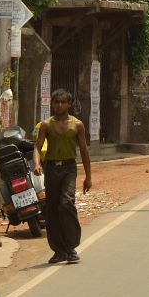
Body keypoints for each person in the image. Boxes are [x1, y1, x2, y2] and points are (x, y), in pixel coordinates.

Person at [38, 89, 92, 264]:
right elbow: (36, 148)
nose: (59, 105)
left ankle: (71, 247)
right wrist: (37, 164)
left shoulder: (77, 125)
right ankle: (58, 250)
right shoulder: (46, 125)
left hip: (69, 168)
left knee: (66, 203)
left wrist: (88, 177)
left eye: (63, 102)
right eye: (56, 102)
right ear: (52, 103)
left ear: (69, 104)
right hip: (51, 169)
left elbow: (84, 151)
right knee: (52, 210)